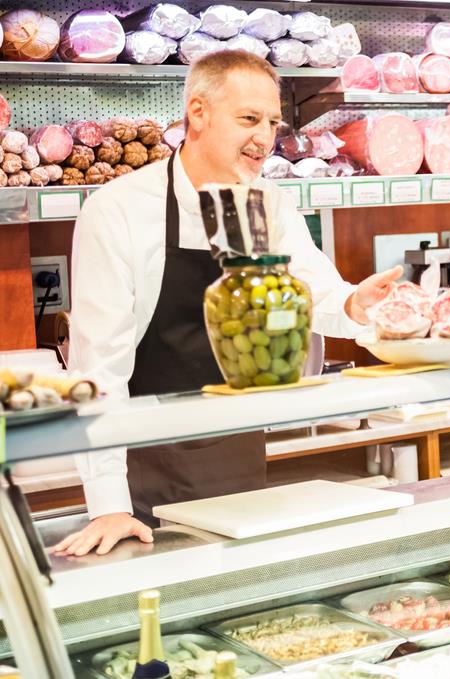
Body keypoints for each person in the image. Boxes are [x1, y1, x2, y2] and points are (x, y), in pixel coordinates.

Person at [53, 51, 402, 557]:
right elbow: (99, 368)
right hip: (146, 459)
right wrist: (109, 504)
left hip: (238, 443)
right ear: (198, 112)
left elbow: (313, 292)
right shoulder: (121, 209)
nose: (264, 136)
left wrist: (355, 304)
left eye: (273, 121)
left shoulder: (267, 202)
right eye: (248, 119)